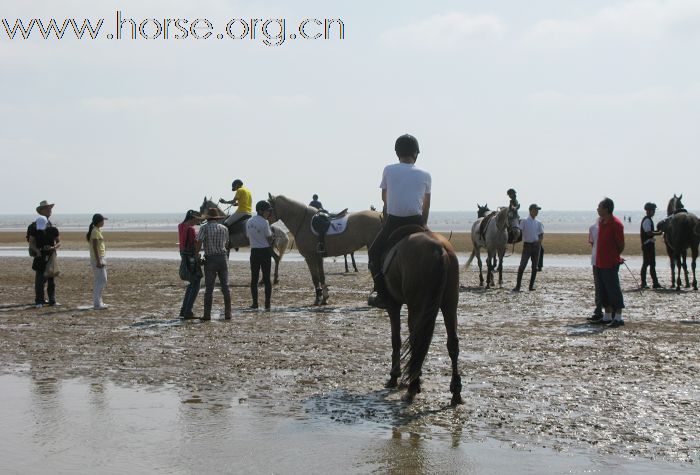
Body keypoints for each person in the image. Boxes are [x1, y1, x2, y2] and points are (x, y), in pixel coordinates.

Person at [368, 133, 431, 308]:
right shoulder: (426, 174)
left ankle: (382, 294)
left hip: (394, 222)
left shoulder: (388, 169)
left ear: (397, 153)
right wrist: (423, 225)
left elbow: (384, 198)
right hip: (417, 221)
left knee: (373, 254)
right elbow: (426, 205)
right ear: (416, 154)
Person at [591, 197, 625, 327]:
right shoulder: (601, 222)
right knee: (603, 290)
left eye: (599, 207)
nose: (597, 209)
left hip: (610, 262)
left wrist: (615, 256)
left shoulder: (616, 224)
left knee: (613, 289)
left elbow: (621, 244)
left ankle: (618, 317)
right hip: (599, 261)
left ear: (606, 209)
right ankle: (607, 316)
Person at [196, 208, 231, 321]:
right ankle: (228, 313)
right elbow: (226, 244)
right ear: (216, 218)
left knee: (209, 288)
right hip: (223, 258)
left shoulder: (204, 228)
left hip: (210, 259)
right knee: (225, 286)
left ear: (208, 218)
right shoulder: (224, 228)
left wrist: (196, 255)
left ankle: (207, 315)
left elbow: (199, 242)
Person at [29, 200, 61, 308]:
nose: (50, 210)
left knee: (51, 278)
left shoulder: (52, 226)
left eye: (50, 208)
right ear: (42, 211)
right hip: (40, 255)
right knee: (40, 279)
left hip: (51, 254)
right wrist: (37, 251)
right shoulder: (34, 226)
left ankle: (52, 300)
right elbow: (31, 242)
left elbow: (58, 241)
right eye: (47, 209)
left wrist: (53, 248)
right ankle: (39, 300)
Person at [246, 200, 274, 310]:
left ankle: (255, 303)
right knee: (267, 279)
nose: (269, 213)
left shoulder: (249, 221)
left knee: (254, 279)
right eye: (267, 211)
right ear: (261, 211)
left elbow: (249, 236)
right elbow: (269, 238)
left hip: (254, 252)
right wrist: (273, 239)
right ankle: (267, 303)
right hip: (265, 252)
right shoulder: (265, 222)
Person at [513, 204, 544, 292]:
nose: (537, 212)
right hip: (527, 246)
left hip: (536, 246)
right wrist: (515, 239)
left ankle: (531, 286)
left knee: (535, 267)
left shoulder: (539, 222)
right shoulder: (524, 221)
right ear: (530, 210)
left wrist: (539, 241)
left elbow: (541, 234)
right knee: (522, 266)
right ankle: (518, 286)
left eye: (537, 210)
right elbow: (519, 231)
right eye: (535, 210)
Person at [178, 210, 203, 319]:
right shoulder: (191, 229)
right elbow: (194, 244)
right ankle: (188, 311)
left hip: (183, 254)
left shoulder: (181, 226)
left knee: (191, 283)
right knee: (196, 283)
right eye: (198, 219)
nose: (199, 221)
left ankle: (184, 310)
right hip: (190, 257)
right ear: (192, 217)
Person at [87, 213, 109, 310]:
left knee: (101, 280)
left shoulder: (97, 230)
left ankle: (99, 302)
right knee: (101, 280)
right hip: (98, 258)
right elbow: (95, 247)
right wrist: (98, 260)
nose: (104, 222)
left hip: (101, 257)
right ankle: (97, 303)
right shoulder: (95, 231)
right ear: (99, 221)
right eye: (102, 220)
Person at [640, 202, 662, 289]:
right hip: (647, 244)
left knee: (651, 264)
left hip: (649, 244)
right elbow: (649, 233)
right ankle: (644, 283)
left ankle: (655, 282)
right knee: (647, 264)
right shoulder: (647, 220)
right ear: (649, 211)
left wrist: (657, 232)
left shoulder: (648, 219)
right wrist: (658, 233)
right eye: (653, 210)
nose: (654, 212)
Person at [587, 218, 603, 320]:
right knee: (601, 285)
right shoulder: (593, 228)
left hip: (597, 259)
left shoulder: (593, 228)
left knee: (599, 285)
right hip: (597, 260)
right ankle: (600, 310)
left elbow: (592, 243)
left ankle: (599, 310)